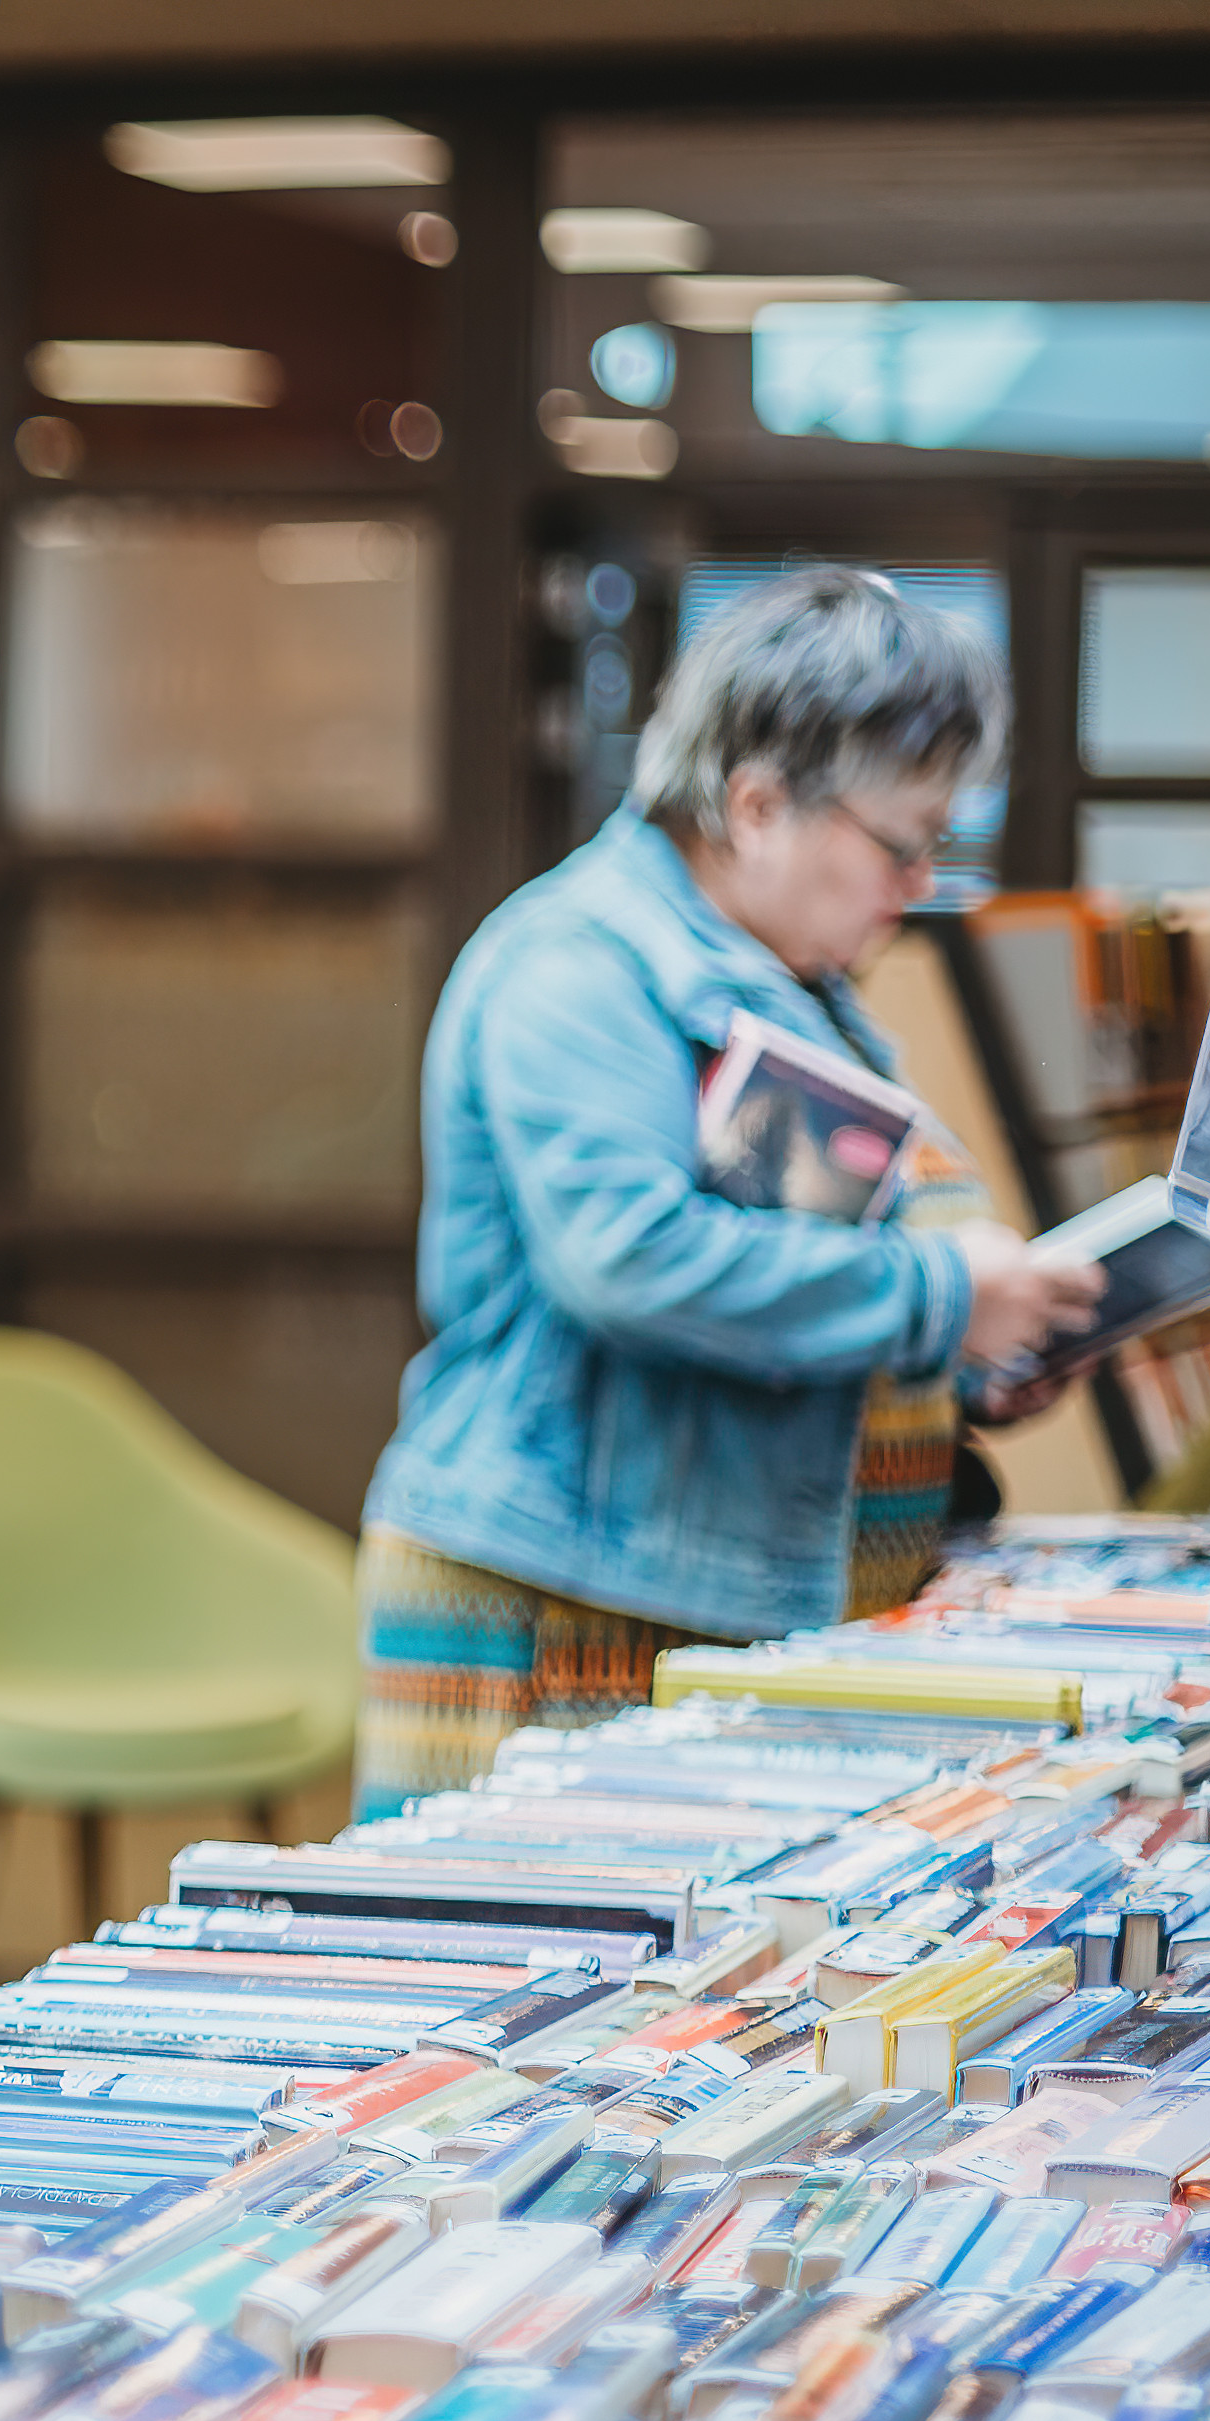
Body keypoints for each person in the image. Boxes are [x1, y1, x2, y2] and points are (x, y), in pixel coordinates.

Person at [352, 568, 1105, 1811]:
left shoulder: (786, 975)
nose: (919, 886)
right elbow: (633, 1257)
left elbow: (810, 1265)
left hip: (714, 1601)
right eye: (904, 843)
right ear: (755, 802)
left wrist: (978, 1351)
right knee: (540, 1993)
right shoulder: (578, 965)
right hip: (565, 1609)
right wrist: (936, 1296)